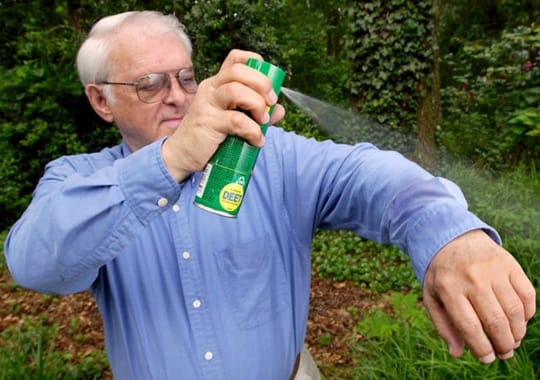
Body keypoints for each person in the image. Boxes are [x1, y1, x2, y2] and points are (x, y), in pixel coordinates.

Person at [4, 10, 535, 380]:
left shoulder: (267, 156)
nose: (177, 97)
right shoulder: (79, 179)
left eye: (187, 78)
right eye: (150, 83)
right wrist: (171, 162)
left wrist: (451, 237)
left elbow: (369, 176)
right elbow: (36, 264)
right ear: (101, 101)